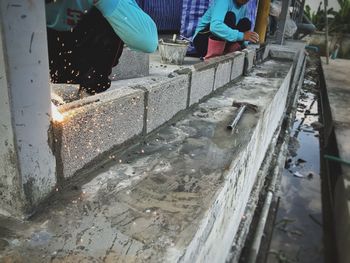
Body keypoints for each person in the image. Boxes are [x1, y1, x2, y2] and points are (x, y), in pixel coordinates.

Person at [46, 0, 158, 95]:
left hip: (80, 62)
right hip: (39, 57)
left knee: (109, 19)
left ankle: (88, 93)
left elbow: (148, 42)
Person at [192, 0, 259, 60]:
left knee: (246, 22)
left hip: (223, 42)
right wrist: (242, 36)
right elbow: (215, 27)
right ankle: (214, 54)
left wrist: (246, 44)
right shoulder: (223, 1)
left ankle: (228, 51)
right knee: (230, 16)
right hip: (202, 41)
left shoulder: (243, 7)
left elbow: (239, 30)